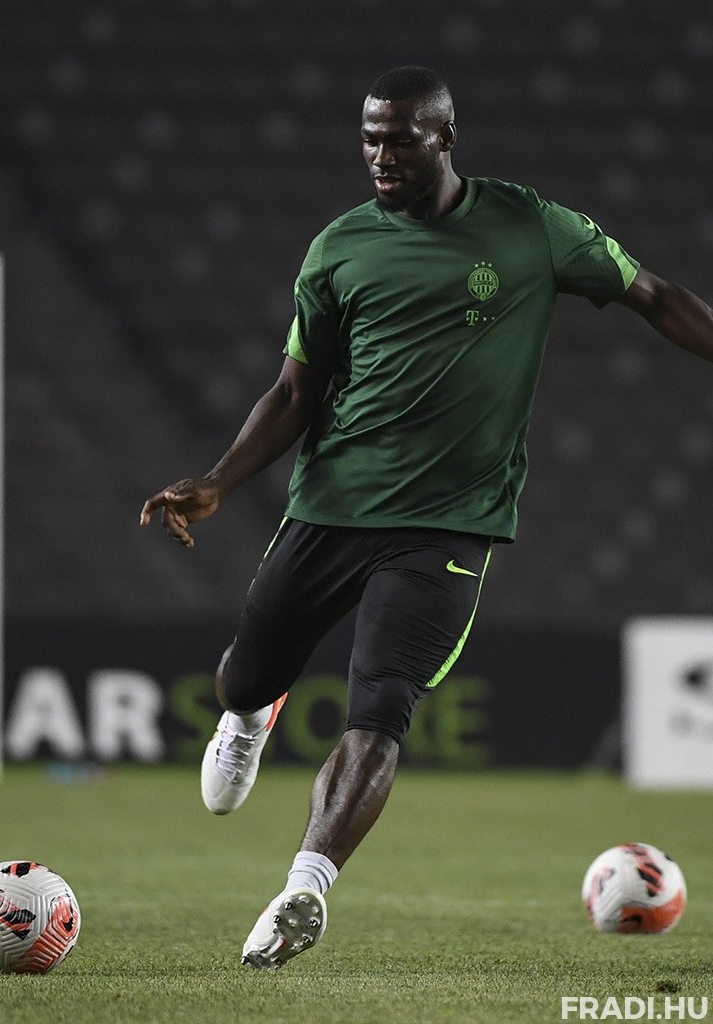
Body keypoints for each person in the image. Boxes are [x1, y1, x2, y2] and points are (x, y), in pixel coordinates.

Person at [141, 65, 713, 969]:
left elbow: (654, 295)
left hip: (449, 524)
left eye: (399, 138)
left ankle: (304, 889)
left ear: (445, 138)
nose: (380, 155)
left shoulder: (530, 226)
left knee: (380, 711)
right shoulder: (338, 249)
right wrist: (217, 482)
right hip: (330, 506)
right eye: (369, 137)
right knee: (243, 678)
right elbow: (296, 389)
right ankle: (251, 718)